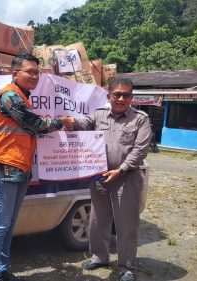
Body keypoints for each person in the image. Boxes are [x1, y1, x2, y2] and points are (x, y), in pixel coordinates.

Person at [0, 53, 74, 281]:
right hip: (4, 167)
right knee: (0, 225)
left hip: (19, 168)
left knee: (9, 224)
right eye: (30, 72)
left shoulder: (23, 97)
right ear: (15, 74)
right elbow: (35, 124)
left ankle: (3, 269)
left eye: (37, 72)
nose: (34, 76)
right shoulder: (10, 97)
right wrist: (62, 121)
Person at [72, 77, 151, 281]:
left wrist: (121, 170)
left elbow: (140, 151)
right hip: (99, 176)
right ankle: (99, 257)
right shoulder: (99, 115)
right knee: (98, 219)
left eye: (126, 94)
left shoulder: (140, 119)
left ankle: (127, 266)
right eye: (117, 94)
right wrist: (68, 121)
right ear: (109, 96)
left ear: (131, 97)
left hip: (127, 177)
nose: (121, 98)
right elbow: (82, 123)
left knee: (127, 223)